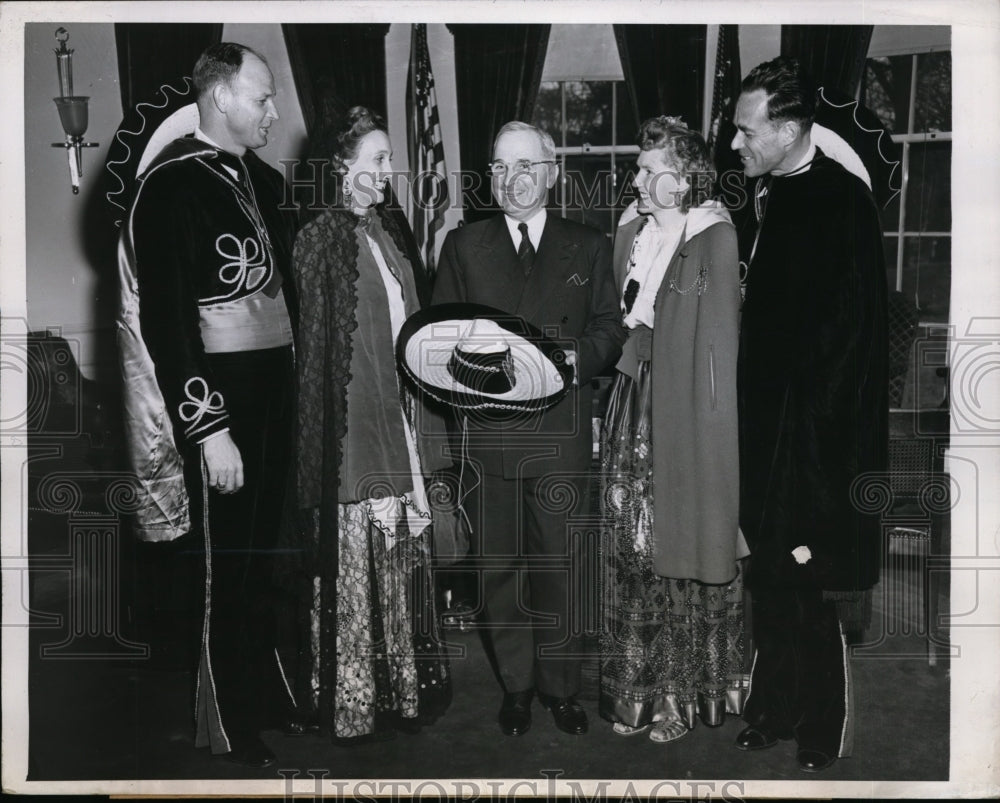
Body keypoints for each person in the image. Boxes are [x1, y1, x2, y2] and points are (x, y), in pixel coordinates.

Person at [117, 42, 299, 768]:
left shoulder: (261, 178)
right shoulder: (168, 187)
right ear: (220, 96)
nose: (274, 111)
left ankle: (261, 692)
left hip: (273, 391)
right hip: (222, 402)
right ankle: (227, 719)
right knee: (226, 564)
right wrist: (210, 427)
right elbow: (167, 324)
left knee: (262, 557)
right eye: (263, 97)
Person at [432, 121, 624, 737]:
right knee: (498, 567)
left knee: (559, 566)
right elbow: (438, 339)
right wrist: (475, 369)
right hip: (489, 438)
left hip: (561, 433)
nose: (510, 179)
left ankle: (561, 688)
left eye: (524, 166)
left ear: (550, 172)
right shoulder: (463, 246)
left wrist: (574, 359)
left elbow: (609, 329)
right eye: (498, 166)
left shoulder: (588, 245)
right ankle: (516, 686)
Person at [730, 56, 888, 772]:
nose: (735, 142)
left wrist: (817, 446)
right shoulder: (766, 197)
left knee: (811, 582)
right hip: (763, 430)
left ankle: (821, 724)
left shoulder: (843, 199)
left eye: (745, 129)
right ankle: (772, 706)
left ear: (789, 128)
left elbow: (854, 341)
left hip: (818, 437)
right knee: (768, 577)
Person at [291, 106, 452, 743]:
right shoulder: (321, 236)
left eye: (389, 159)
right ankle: (351, 702)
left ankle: (397, 692)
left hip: (395, 416)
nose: (389, 173)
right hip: (352, 429)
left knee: (396, 557)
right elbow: (314, 358)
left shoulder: (384, 230)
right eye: (378, 160)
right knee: (359, 556)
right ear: (340, 167)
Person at [599, 117, 748, 744]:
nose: (635, 178)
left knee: (680, 546)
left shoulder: (713, 234)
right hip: (630, 399)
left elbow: (718, 356)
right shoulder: (629, 231)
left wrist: (710, 449)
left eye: (648, 168)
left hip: (685, 411)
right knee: (630, 548)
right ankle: (635, 693)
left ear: (683, 179)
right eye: (639, 166)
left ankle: (679, 701)